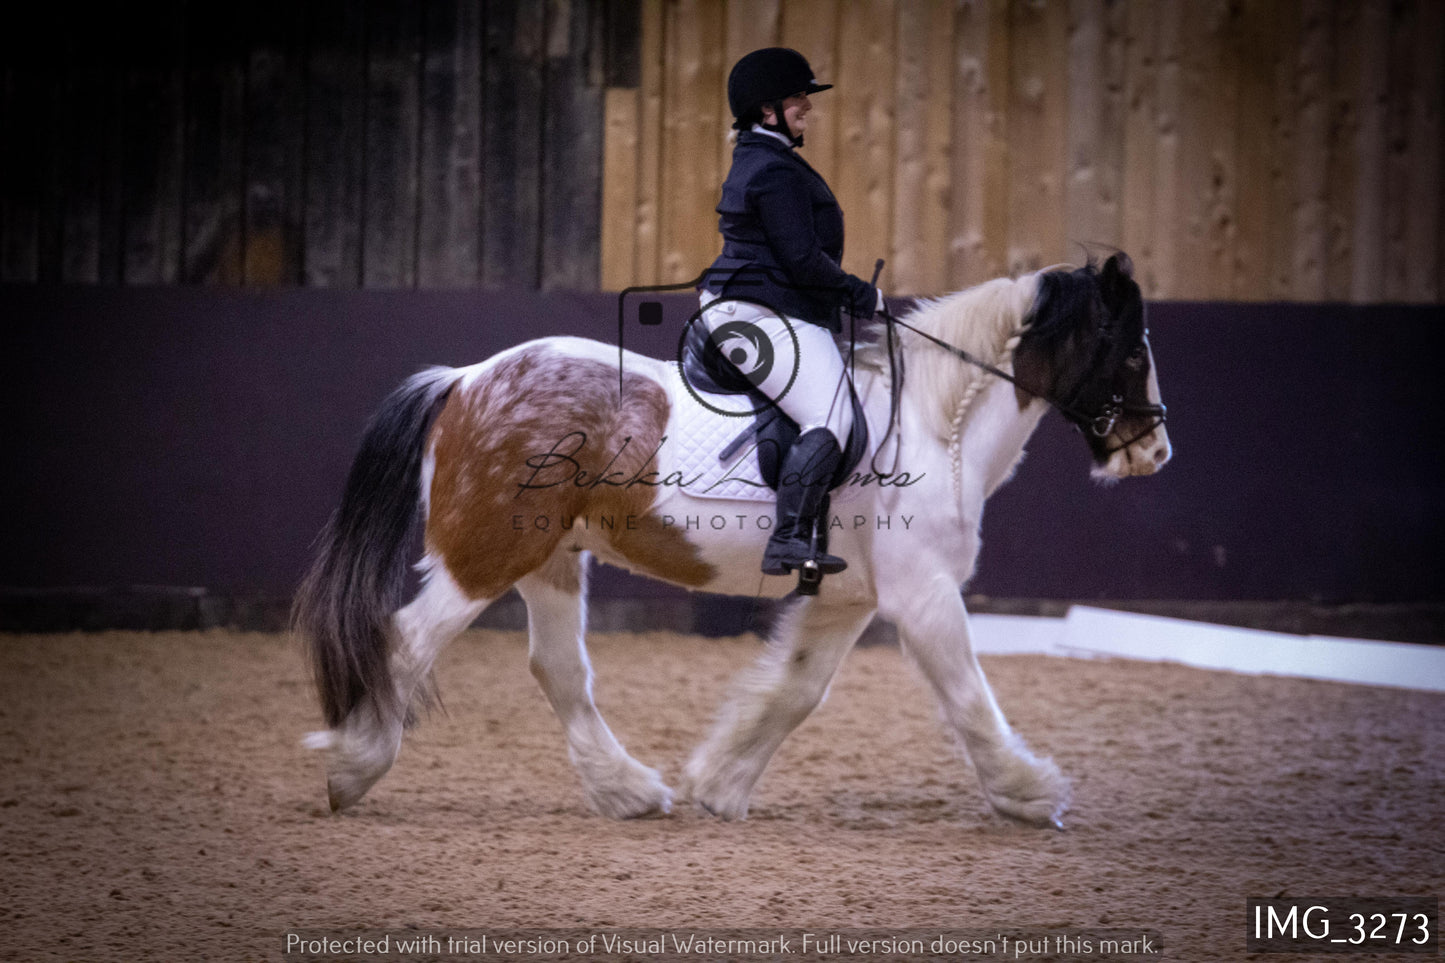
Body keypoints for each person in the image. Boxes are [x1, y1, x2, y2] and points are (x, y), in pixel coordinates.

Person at [699, 47, 885, 581]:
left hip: (766, 307)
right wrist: (861, 295)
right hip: (758, 313)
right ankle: (787, 541)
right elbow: (801, 259)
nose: (807, 106)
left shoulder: (766, 158)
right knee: (831, 415)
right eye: (797, 97)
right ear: (767, 110)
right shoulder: (773, 170)